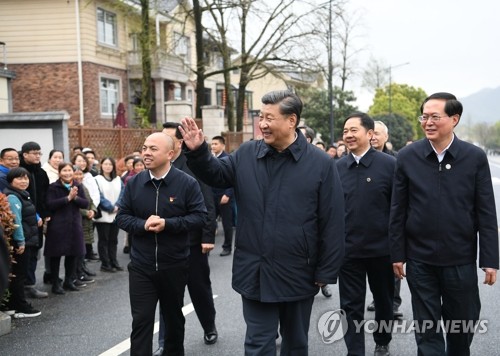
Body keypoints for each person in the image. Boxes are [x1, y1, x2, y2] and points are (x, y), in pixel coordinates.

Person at [179, 90, 345, 355]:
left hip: (298, 271)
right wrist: (198, 151)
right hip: (255, 269)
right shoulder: (247, 153)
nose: (263, 124)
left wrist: (325, 272)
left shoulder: (321, 164)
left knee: (296, 343)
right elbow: (217, 174)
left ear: (292, 121)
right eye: (261, 117)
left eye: (270, 117)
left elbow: (333, 222)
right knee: (257, 344)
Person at [390, 92, 499, 356]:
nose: (427, 122)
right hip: (420, 259)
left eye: (434, 117)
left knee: (463, 323)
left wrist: (490, 258)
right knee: (427, 330)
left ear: (454, 119)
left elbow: (486, 211)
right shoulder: (407, 156)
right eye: (424, 116)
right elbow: (398, 209)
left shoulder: (473, 157)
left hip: (459, 259)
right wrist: (397, 254)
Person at [115, 132, 207, 356]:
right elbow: (122, 216)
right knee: (141, 321)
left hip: (174, 265)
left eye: (153, 149)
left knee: (174, 321)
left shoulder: (186, 183)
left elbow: (200, 217)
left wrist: (168, 224)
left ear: (170, 154)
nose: (146, 152)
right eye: (145, 147)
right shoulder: (135, 183)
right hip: (141, 265)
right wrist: (142, 225)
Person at [152, 122, 218, 355]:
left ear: (178, 143)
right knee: (167, 294)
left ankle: (209, 325)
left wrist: (207, 236)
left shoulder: (193, 166)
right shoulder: (156, 168)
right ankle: (164, 342)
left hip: (193, 241)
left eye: (167, 138)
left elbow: (208, 203)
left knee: (199, 289)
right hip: (166, 244)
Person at [337, 112, 396, 356]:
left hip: (382, 251)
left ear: (370, 134)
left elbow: (399, 209)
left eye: (354, 130)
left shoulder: (390, 165)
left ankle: (382, 339)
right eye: (345, 131)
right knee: (350, 306)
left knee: (383, 300)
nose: (348, 135)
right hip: (349, 252)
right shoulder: (337, 167)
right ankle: (355, 350)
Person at [366, 120, 402, 318]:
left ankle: (393, 302)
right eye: (372, 133)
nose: (374, 137)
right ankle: (379, 298)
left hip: (390, 225)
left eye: (378, 134)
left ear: (386, 137)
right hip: (367, 226)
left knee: (392, 268)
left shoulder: (395, 161)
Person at [3, 167, 42, 318]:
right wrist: (20, 242)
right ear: (11, 180)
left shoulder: (22, 195)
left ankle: (13, 305)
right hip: (22, 242)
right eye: (19, 178)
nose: (24, 181)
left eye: (26, 178)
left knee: (19, 274)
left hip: (27, 239)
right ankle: (20, 307)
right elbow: (16, 221)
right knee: (19, 275)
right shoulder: (13, 197)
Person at [45, 163, 88, 294]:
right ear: (59, 172)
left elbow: (85, 203)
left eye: (69, 170)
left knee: (73, 254)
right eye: (64, 170)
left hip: (74, 225)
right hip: (58, 225)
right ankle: (55, 283)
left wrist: (75, 198)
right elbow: (50, 204)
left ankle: (69, 281)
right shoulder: (53, 187)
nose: (67, 173)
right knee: (55, 255)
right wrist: (67, 198)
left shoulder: (78, 186)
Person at [19, 141, 50, 299]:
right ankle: (22, 286)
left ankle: (29, 285)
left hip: (37, 220)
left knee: (34, 251)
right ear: (25, 154)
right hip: (23, 219)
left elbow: (44, 196)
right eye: (34, 153)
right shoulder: (19, 172)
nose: (38, 156)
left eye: (39, 153)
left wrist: (44, 214)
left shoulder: (41, 173)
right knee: (25, 252)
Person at [94, 157, 124, 272]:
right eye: (105, 164)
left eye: (110, 164)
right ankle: (105, 264)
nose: (107, 166)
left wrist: (117, 205)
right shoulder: (97, 179)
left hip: (115, 215)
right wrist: (110, 207)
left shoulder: (118, 179)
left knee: (114, 240)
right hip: (103, 215)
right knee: (103, 240)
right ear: (101, 165)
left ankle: (114, 261)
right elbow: (98, 196)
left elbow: (123, 193)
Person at [41, 149, 65, 285]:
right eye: (55, 157)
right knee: (51, 245)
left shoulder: (63, 170)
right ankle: (48, 272)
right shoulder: (45, 172)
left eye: (60, 157)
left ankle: (52, 273)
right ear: (50, 159)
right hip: (50, 213)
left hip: (62, 213)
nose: (58, 160)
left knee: (57, 245)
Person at [72, 153, 100, 261]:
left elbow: (93, 197)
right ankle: (79, 271)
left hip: (90, 212)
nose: (82, 163)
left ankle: (82, 268)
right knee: (79, 245)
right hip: (78, 217)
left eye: (84, 161)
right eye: (79, 160)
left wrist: (93, 210)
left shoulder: (88, 178)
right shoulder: (73, 186)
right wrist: (86, 212)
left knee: (86, 240)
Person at [210, 135, 235, 257]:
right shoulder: (210, 158)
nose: (213, 146)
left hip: (224, 196)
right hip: (212, 196)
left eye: (216, 144)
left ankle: (227, 247)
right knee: (209, 222)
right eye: (212, 144)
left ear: (223, 145)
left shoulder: (228, 158)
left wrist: (228, 194)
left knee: (226, 224)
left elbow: (233, 178)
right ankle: (207, 246)